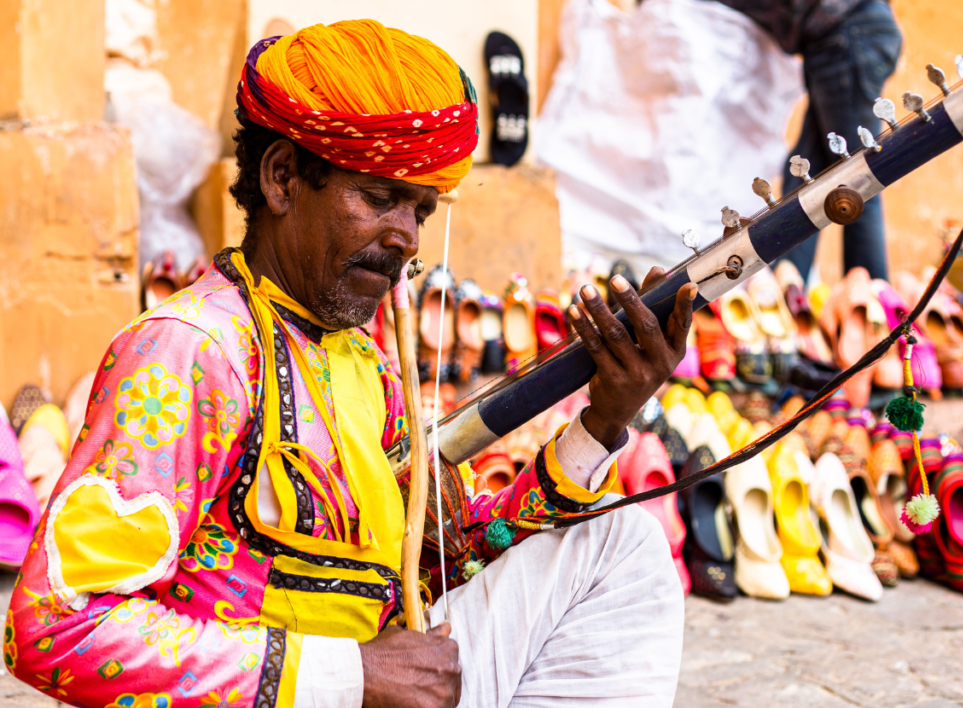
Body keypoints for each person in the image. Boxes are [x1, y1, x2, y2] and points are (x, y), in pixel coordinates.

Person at [5, 20, 695, 708]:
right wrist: (348, 675)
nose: (405, 236)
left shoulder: (363, 360)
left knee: (623, 544)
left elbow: (443, 566)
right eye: (380, 197)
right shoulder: (191, 351)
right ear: (282, 179)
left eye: (420, 209)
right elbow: (56, 627)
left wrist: (602, 422)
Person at [712, 0, 903, 281]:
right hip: (843, 36)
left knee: (859, 179)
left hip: (847, 35)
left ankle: (869, 303)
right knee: (807, 176)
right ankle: (790, 286)